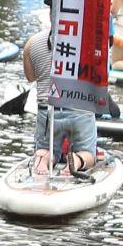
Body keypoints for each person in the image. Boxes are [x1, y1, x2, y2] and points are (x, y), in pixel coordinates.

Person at [21, 29, 98, 179]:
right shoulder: (87, 41)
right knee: (88, 153)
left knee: (45, 148)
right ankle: (76, 160)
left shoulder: (32, 43)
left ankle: (43, 159)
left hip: (48, 111)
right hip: (79, 108)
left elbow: (30, 77)